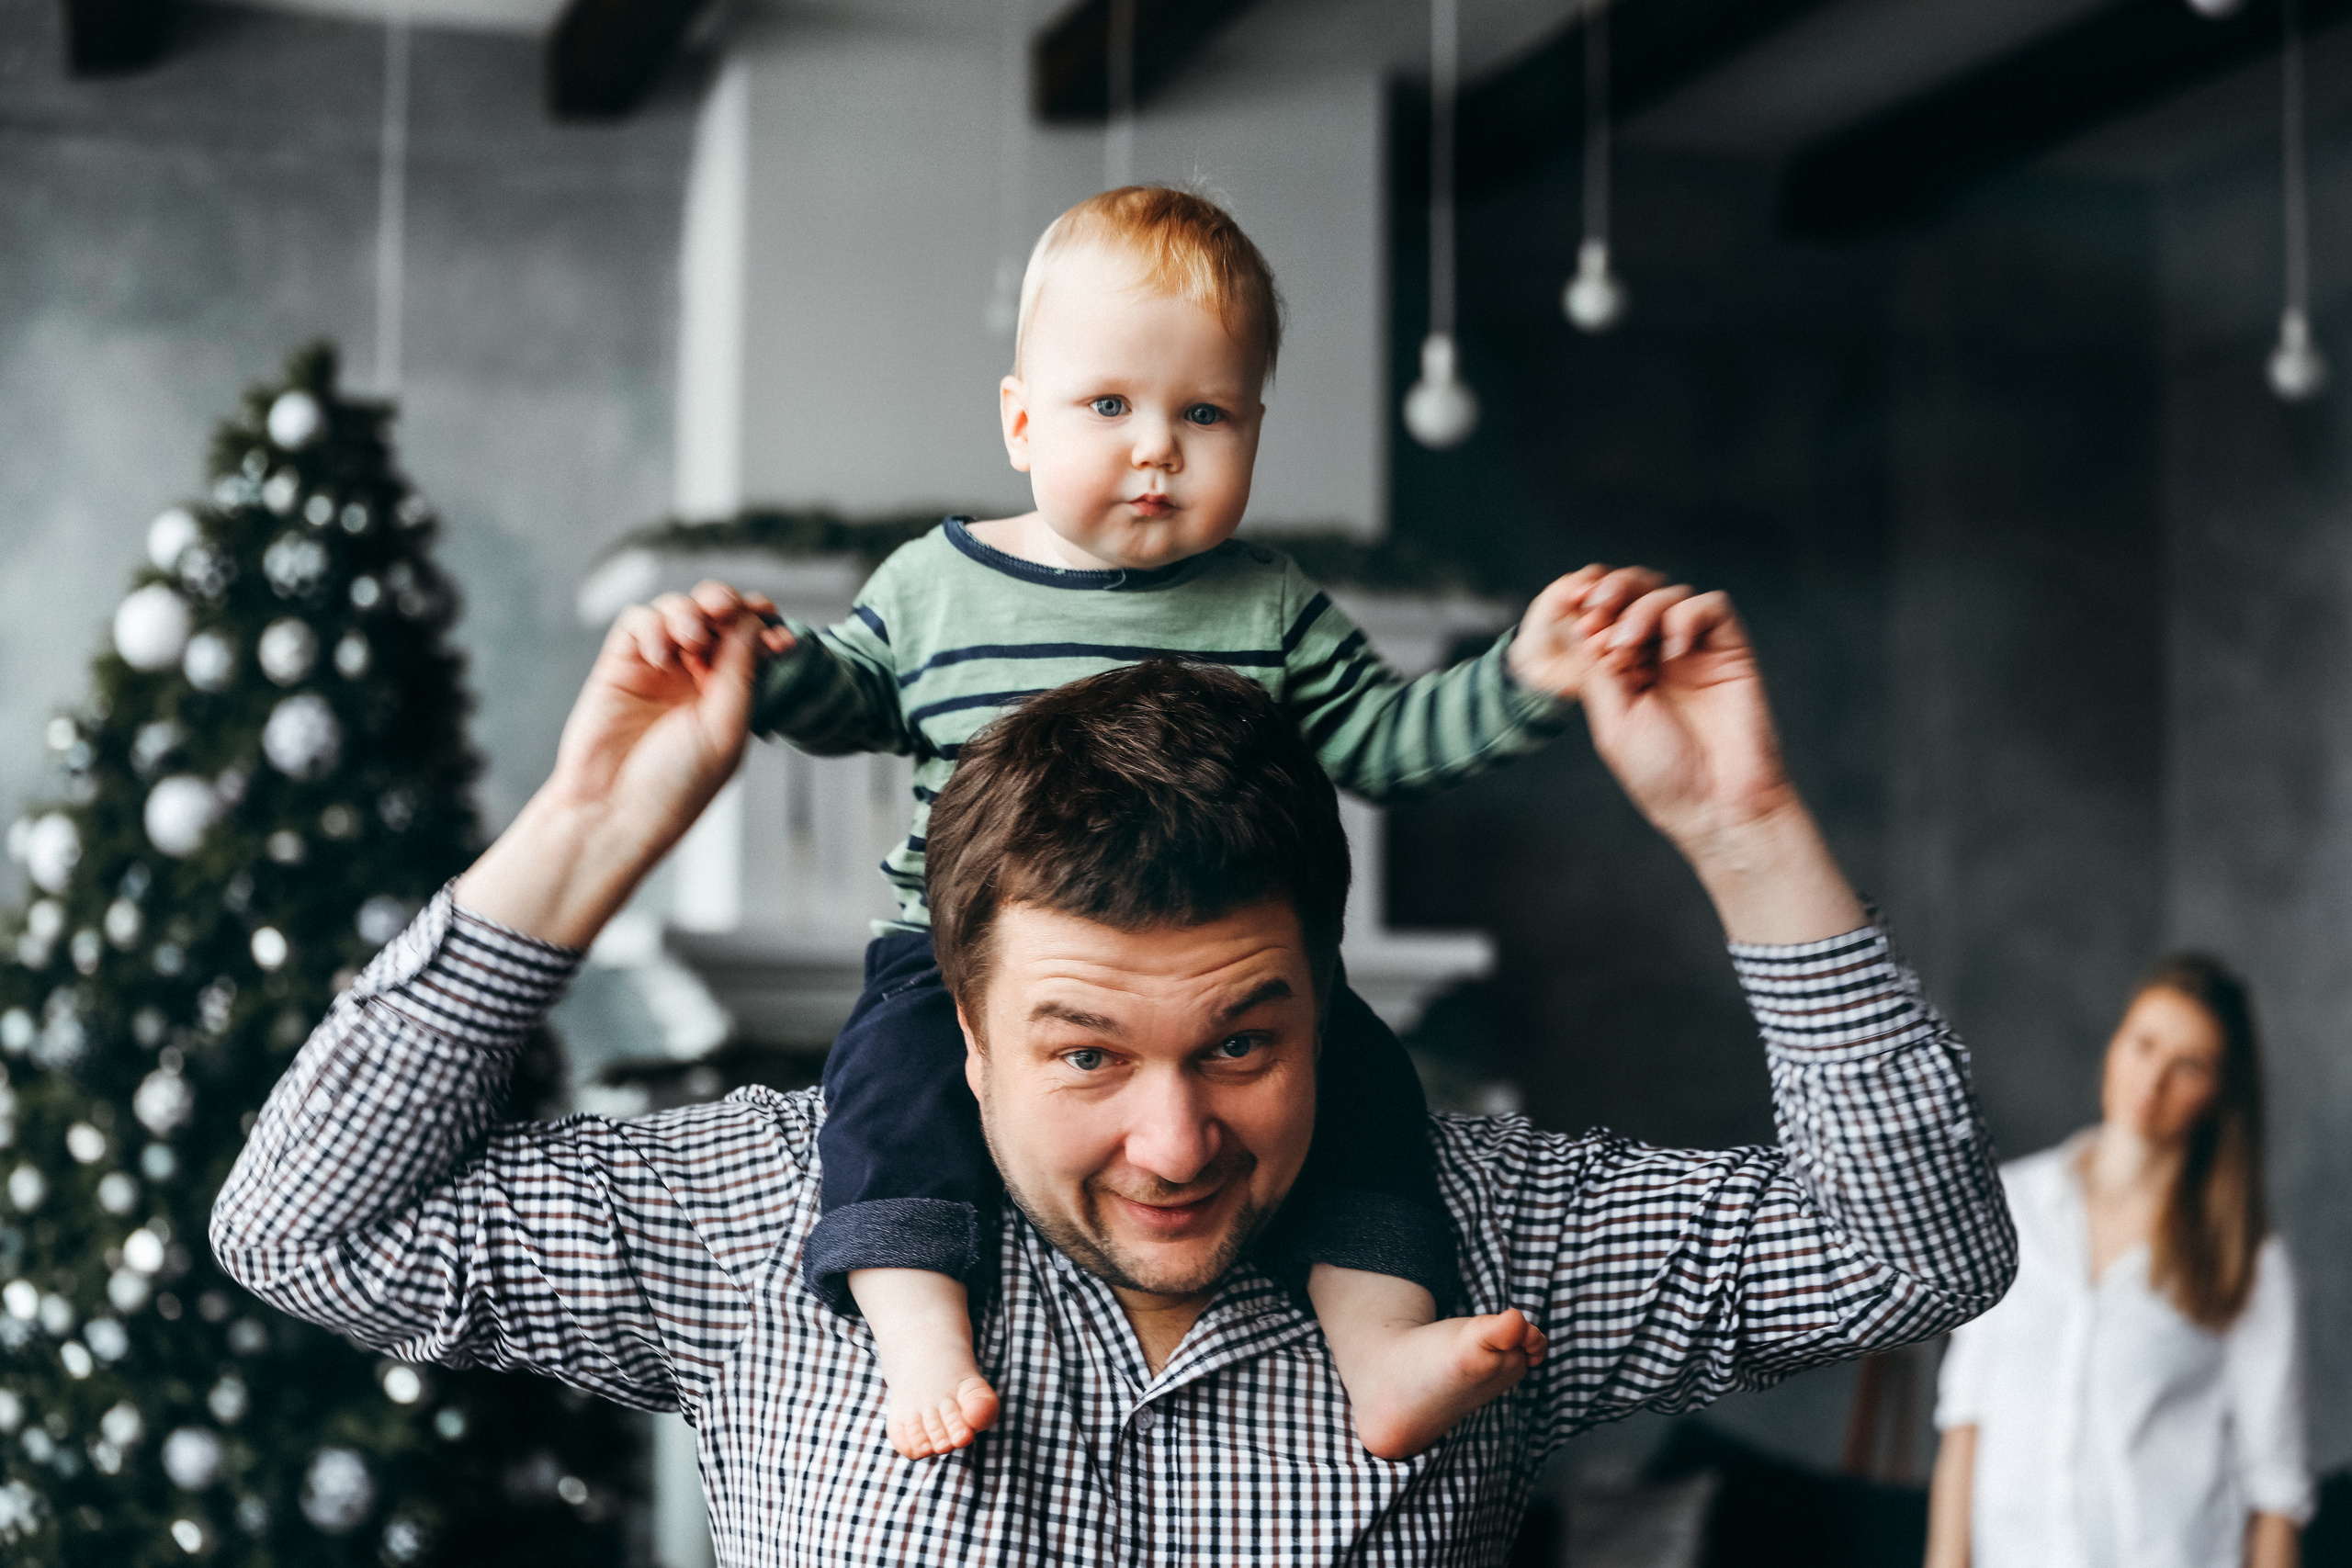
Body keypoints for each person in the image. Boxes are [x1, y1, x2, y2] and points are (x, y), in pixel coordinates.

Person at [211, 570, 2018, 1566]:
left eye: (1244, 1039)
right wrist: (590, 828)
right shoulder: (758, 1206)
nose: (1176, 1138)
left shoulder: (1487, 1228)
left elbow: (1910, 1251)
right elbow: (304, 1228)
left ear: (1322, 988)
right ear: (959, 1027)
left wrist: (1746, 827)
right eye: (1085, 1052)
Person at [726, 185, 1625, 1461]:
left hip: (1227, 963)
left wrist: (1529, 677)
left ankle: (1379, 1349)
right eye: (1111, 407)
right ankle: (920, 1327)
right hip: (957, 954)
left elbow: (1385, 738)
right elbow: (852, 694)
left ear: (1256, 424)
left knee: (1366, 1086)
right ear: (1020, 418)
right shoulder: (936, 585)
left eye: (1205, 414)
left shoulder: (1269, 604)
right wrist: (759, 669)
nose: (1158, 448)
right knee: (887, 1093)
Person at [1926, 956, 2311, 1568]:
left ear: (2218, 1095)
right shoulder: (2012, 1208)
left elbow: (2275, 1488)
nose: (2152, 1079)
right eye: (2144, 1044)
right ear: (2115, 1045)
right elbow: (1966, 1417)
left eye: (2189, 1064)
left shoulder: (2248, 1256)